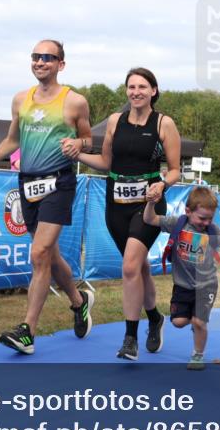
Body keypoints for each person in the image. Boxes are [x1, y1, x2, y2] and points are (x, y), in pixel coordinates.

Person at [0, 39, 95, 354]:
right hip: (28, 184)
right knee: (49, 256)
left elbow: (88, 140)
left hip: (59, 183)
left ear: (61, 64)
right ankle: (79, 301)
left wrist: (79, 146)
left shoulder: (75, 102)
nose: (40, 62)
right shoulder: (20, 100)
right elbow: (12, 139)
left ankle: (27, 331)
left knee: (39, 254)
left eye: (48, 58)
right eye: (36, 57)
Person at [71, 67, 181, 360]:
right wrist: (77, 154)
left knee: (131, 267)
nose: (136, 92)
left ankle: (130, 337)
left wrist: (161, 184)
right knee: (139, 267)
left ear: (153, 91)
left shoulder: (164, 124)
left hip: (148, 205)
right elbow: (106, 161)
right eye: (131, 87)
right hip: (115, 203)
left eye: (142, 87)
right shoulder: (114, 122)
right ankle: (155, 318)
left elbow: (175, 170)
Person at [143, 186, 220, 370]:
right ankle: (194, 322)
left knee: (199, 321)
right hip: (182, 284)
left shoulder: (212, 230)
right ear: (188, 211)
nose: (206, 222)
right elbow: (150, 219)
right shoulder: (177, 223)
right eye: (202, 218)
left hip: (206, 285)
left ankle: (197, 354)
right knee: (178, 322)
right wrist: (150, 203)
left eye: (210, 218)